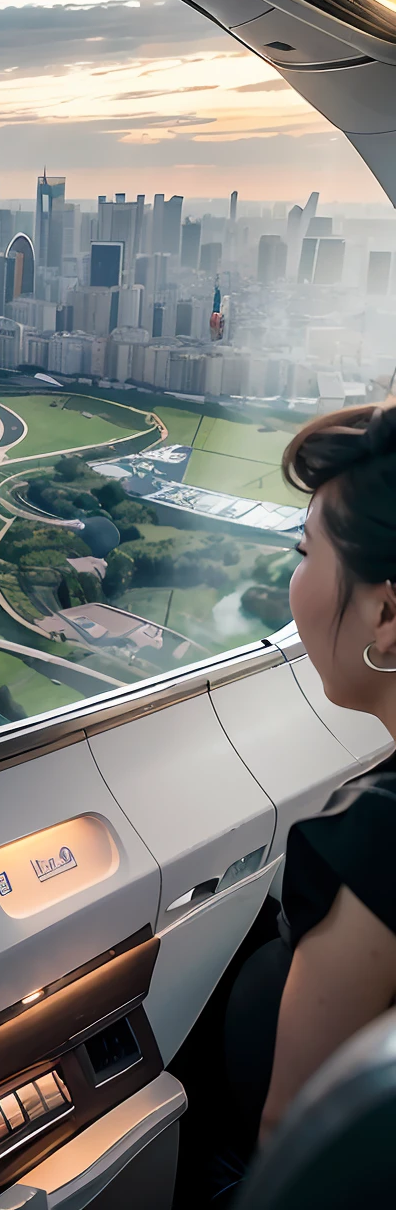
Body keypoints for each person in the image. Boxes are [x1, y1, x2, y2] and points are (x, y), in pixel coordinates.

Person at [216, 404, 396, 1160]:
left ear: (386, 613)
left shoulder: (381, 836)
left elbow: (299, 1146)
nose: (295, 581)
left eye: (303, 551)